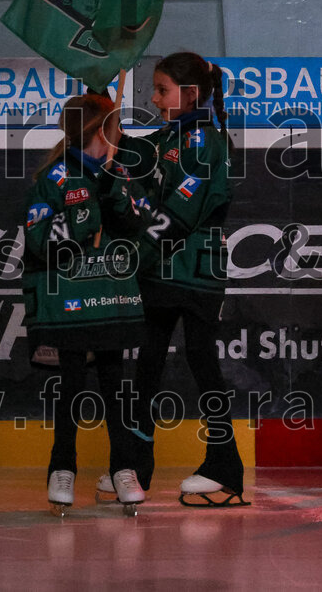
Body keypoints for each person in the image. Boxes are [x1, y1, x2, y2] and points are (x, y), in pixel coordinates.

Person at [113, 52, 247, 507]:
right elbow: (132, 154)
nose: (153, 98)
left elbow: (180, 214)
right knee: (147, 362)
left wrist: (135, 256)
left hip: (195, 269)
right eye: (153, 88)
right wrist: (104, 127)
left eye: (162, 90)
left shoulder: (209, 142)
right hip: (161, 270)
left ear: (190, 94)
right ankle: (133, 467)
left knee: (200, 359)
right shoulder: (166, 136)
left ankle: (224, 467)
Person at [22, 92, 149, 515]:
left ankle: (123, 469)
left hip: (111, 295)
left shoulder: (120, 172)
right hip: (72, 299)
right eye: (116, 129)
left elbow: (140, 224)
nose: (122, 136)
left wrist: (116, 196)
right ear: (100, 131)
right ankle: (63, 469)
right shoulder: (54, 177)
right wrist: (76, 221)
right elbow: (36, 240)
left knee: (116, 386)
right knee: (71, 386)